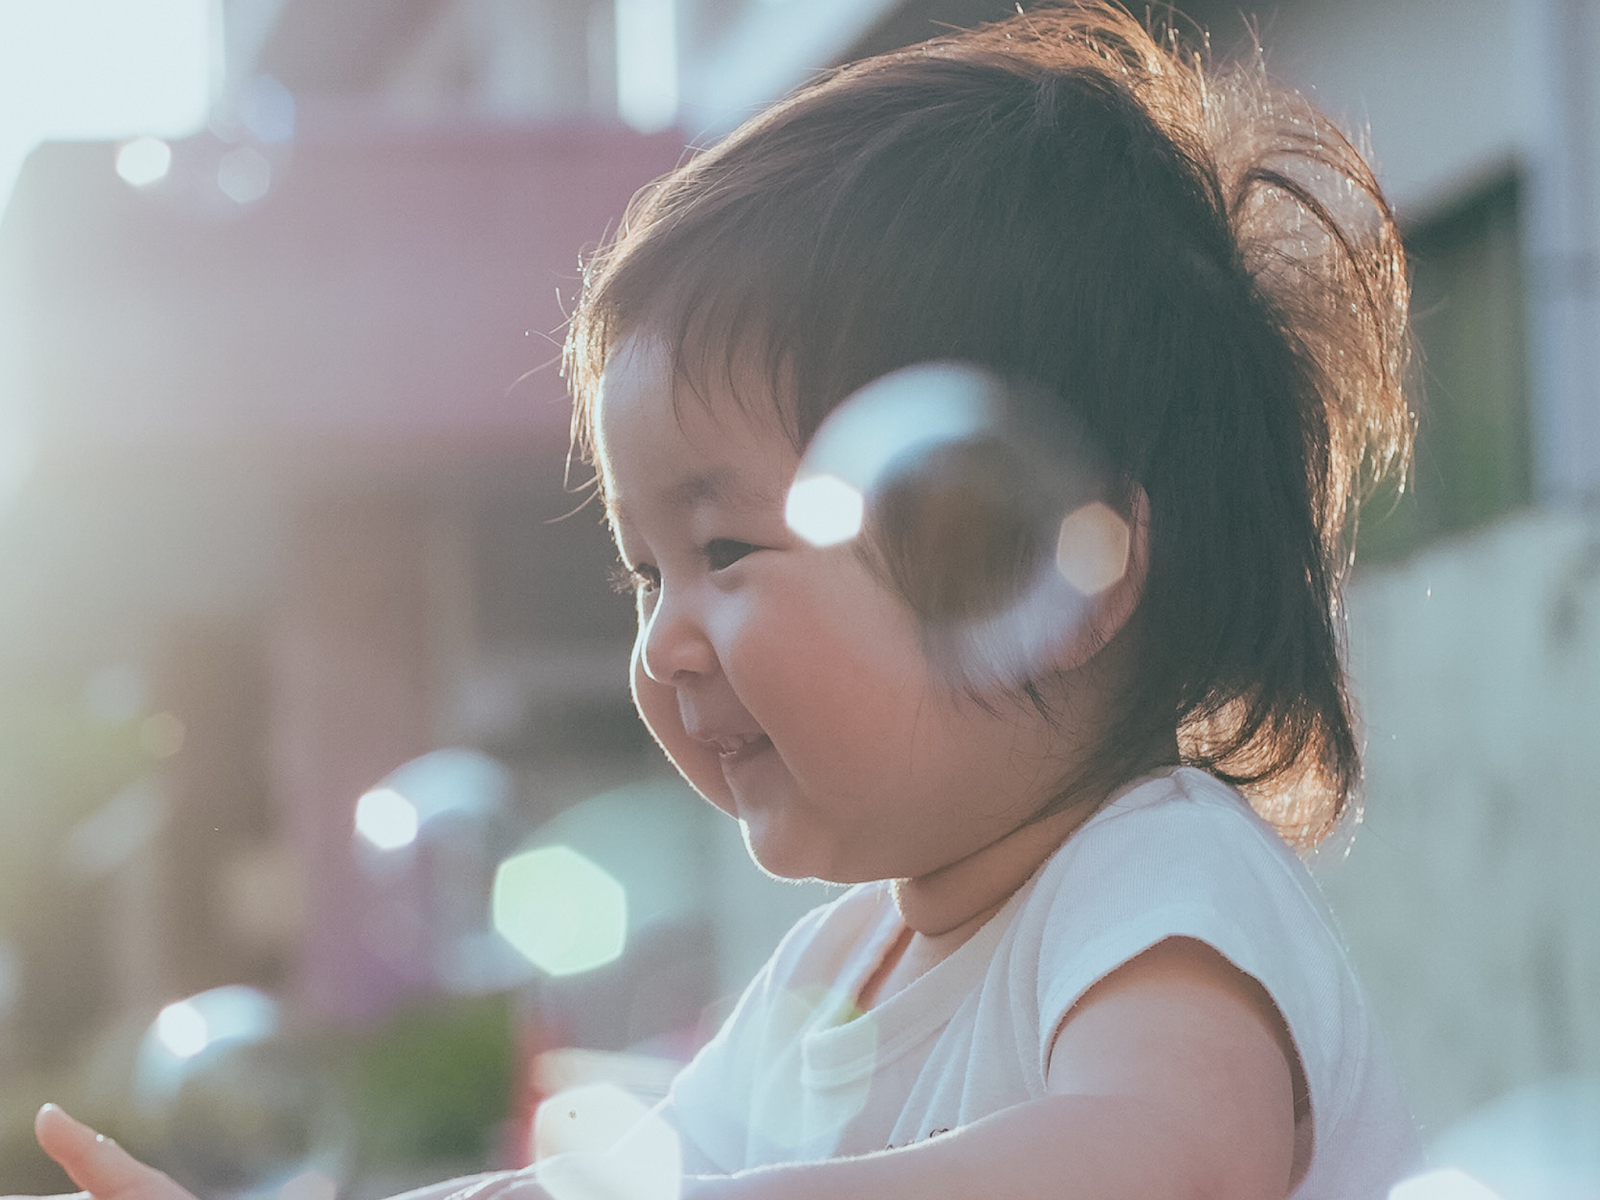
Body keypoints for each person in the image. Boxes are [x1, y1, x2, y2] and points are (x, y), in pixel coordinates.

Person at [10, 4, 1423, 1198]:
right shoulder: (840, 968)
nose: (662, 640)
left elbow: (1160, 1157)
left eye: (728, 550)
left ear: (1039, 567)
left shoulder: (1155, 878)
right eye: (643, 571)